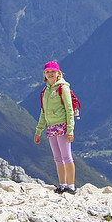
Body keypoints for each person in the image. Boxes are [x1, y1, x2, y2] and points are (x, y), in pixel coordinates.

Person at [33, 61, 76, 194]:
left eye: (53, 71)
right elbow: (43, 111)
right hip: (51, 127)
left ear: (58, 73)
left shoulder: (62, 88)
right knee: (57, 157)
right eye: (48, 71)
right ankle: (62, 185)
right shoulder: (46, 90)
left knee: (67, 156)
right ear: (44, 74)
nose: (50, 74)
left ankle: (71, 186)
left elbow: (69, 109)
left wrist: (70, 130)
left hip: (62, 126)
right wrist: (38, 130)